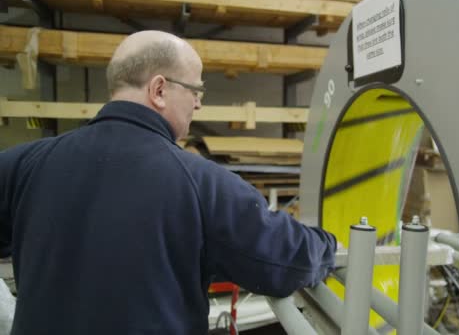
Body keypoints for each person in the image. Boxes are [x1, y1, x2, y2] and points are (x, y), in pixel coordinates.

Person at [0, 30, 336, 334]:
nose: (199, 103)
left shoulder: (24, 165)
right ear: (159, 89)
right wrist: (327, 243)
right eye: (196, 89)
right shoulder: (202, 183)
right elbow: (286, 260)